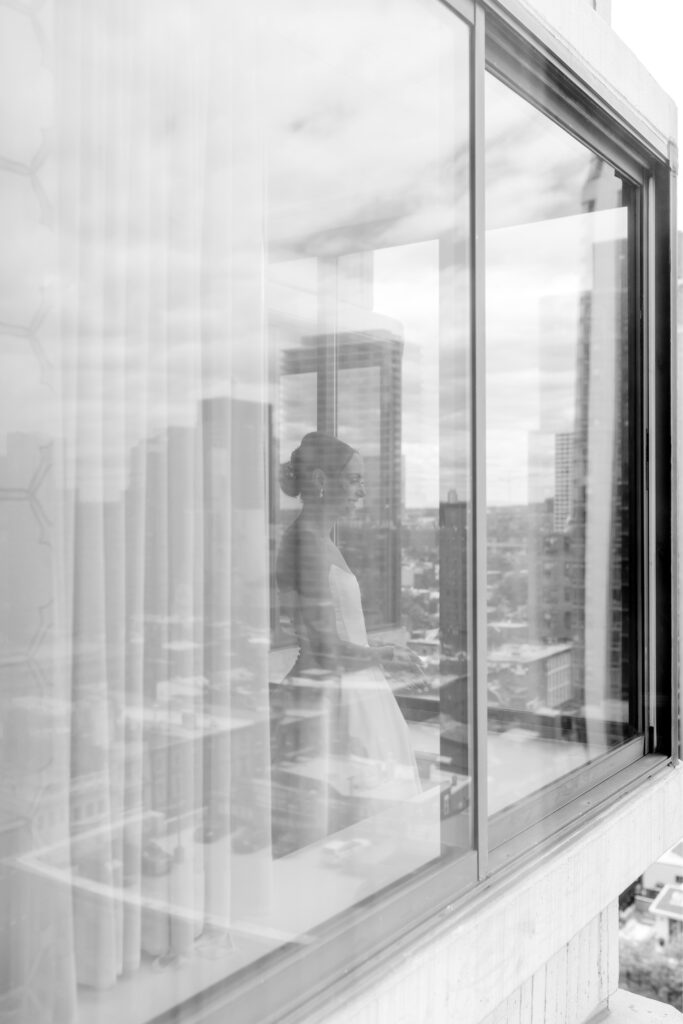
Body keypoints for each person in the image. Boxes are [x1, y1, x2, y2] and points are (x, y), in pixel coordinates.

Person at [274, 432, 422, 850]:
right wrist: (386, 655)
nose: (362, 490)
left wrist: (379, 656)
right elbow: (323, 646)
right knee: (342, 823)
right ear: (321, 479)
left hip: (353, 689)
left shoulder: (319, 540)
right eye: (355, 479)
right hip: (332, 697)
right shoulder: (303, 543)